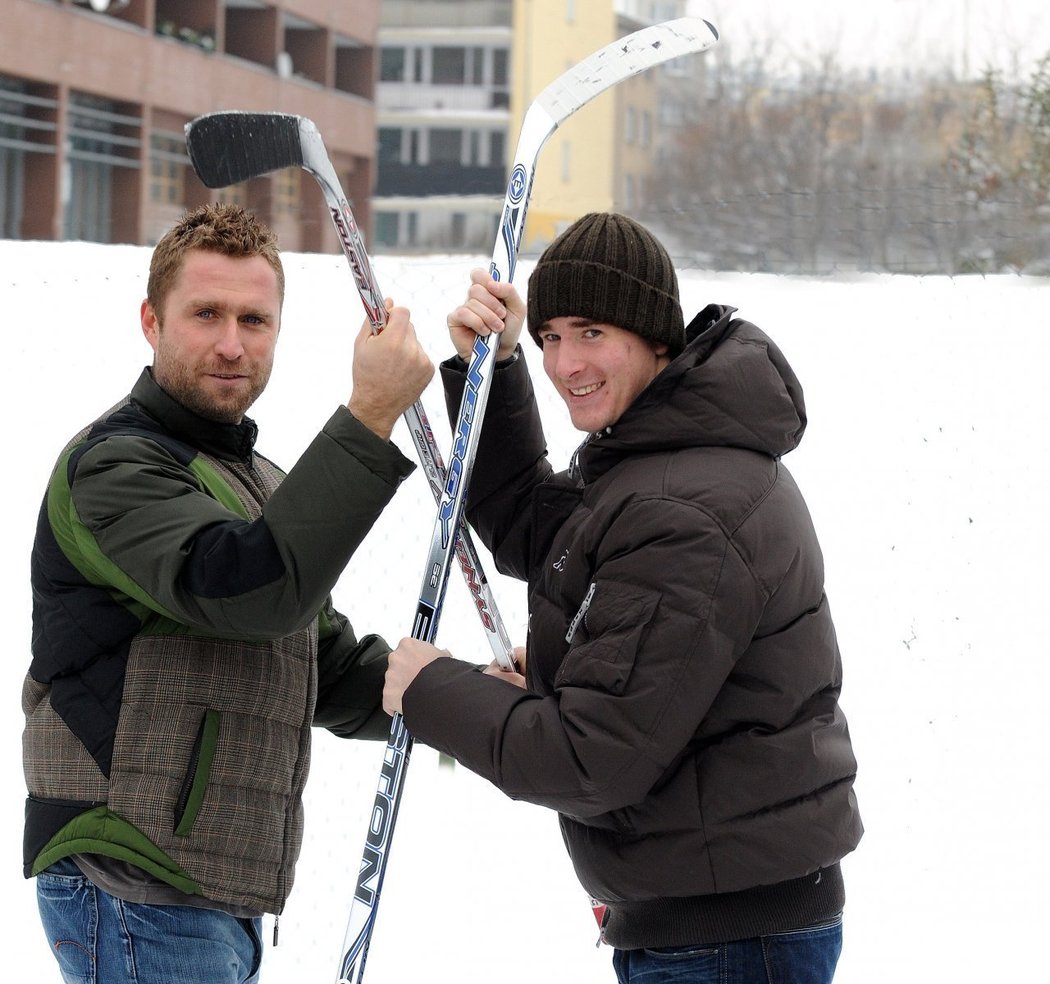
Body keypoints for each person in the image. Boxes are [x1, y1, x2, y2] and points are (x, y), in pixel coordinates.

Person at [383, 212, 863, 983]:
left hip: (726, 941)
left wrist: (429, 690)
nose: (566, 362)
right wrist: (495, 368)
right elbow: (545, 539)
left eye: (591, 331)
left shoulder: (683, 507)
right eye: (547, 339)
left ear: (654, 336)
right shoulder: (662, 458)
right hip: (717, 919)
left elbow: (590, 759)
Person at [23, 203, 434, 984]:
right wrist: (371, 413)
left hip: (208, 892)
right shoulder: (112, 468)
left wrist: (470, 697)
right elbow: (248, 591)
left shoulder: (255, 482)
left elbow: (328, 666)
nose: (231, 344)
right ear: (151, 320)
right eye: (205, 314)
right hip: (133, 878)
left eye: (255, 319)